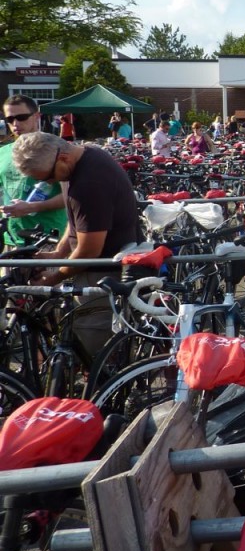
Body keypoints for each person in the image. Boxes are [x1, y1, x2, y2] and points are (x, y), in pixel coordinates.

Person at [12, 132, 144, 357]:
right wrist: (58, 254)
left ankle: (105, 390)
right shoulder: (82, 157)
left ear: (62, 157)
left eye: (47, 177)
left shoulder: (88, 183)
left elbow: (89, 250)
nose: (48, 183)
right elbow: (77, 223)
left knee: (94, 346)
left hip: (103, 271)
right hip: (94, 265)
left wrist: (54, 278)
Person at [0, 95, 68, 250]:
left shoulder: (56, 148)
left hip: (48, 239)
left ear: (37, 116)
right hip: (11, 238)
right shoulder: (3, 152)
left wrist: (33, 207)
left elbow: (72, 195)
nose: (15, 124)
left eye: (22, 117)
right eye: (10, 119)